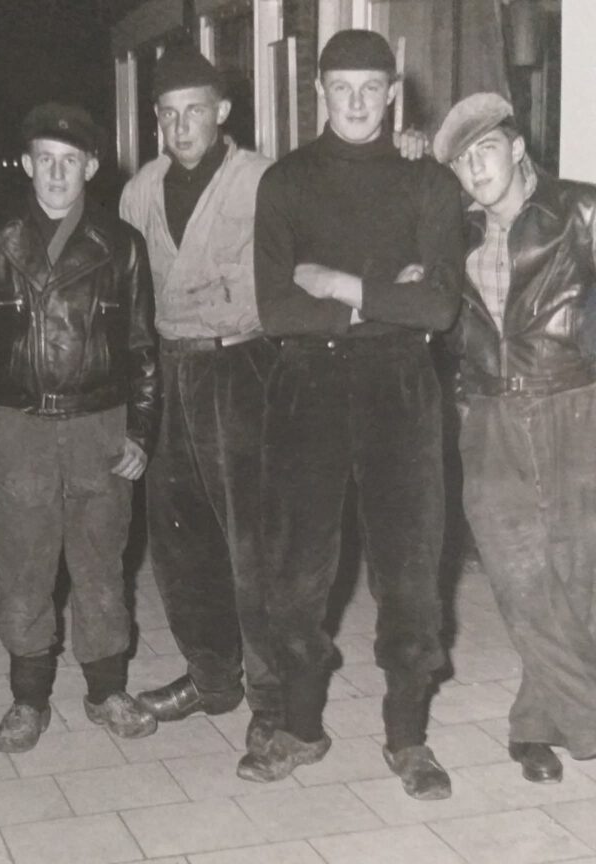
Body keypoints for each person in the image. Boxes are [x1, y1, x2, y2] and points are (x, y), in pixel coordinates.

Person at [252, 29, 464, 799]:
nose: (356, 102)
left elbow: (438, 308)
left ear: (392, 94)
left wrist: (340, 285)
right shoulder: (284, 182)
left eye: (371, 88)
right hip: (305, 386)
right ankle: (301, 726)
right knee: (293, 572)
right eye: (341, 88)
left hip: (399, 388)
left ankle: (408, 738)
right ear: (318, 92)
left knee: (411, 571)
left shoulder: (429, 182)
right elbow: (276, 310)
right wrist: (384, 299)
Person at [0, 103, 160, 752]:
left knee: (101, 565)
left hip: (98, 429)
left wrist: (140, 430)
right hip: (20, 430)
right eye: (45, 159)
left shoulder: (121, 246)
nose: (56, 173)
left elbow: (142, 349)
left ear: (91, 168)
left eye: (70, 161)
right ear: (27, 165)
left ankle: (106, 690)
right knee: (24, 566)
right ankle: (29, 699)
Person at [118, 44, 281, 739]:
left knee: (255, 541)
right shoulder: (139, 191)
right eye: (168, 114)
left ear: (223, 112)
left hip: (239, 367)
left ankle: (274, 700)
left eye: (194, 111)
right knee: (180, 543)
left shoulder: (262, 181)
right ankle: (212, 678)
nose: (181, 126)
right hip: (168, 370)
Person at [434, 93, 596, 784]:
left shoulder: (580, 210)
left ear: (518, 147)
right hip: (490, 416)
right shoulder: (453, 235)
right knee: (518, 577)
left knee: (575, 576)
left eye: (487, 150)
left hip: (573, 404)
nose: (477, 168)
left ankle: (535, 723)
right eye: (463, 161)